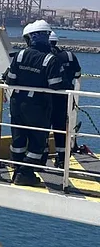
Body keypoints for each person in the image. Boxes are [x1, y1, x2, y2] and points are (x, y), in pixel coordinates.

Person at [4, 20, 64, 185]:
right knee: (37, 142)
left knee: (18, 139)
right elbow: (56, 86)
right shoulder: (51, 60)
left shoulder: (20, 55)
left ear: (30, 38)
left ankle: (17, 170)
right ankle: (25, 173)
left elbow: (10, 80)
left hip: (16, 103)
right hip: (37, 106)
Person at [49, 31, 82, 168]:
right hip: (64, 98)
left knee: (41, 128)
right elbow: (78, 73)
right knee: (61, 128)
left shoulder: (47, 57)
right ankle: (62, 159)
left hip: (45, 98)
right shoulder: (69, 55)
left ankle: (40, 158)